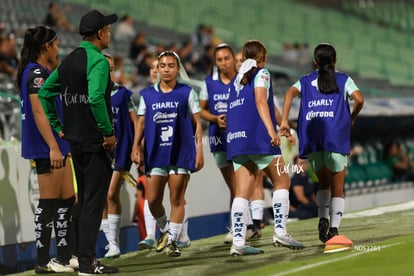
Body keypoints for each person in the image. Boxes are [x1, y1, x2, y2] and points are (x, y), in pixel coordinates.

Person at [38, 10, 119, 274]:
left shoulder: (70, 59)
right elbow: (96, 98)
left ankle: (77, 257)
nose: (110, 33)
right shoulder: (98, 61)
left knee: (83, 201)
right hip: (96, 142)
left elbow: (46, 93)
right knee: (93, 204)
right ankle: (87, 263)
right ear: (100, 33)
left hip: (75, 142)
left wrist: (60, 127)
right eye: (108, 29)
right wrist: (107, 132)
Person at [226, 40, 305, 256]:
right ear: (263, 57)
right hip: (258, 139)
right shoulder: (262, 73)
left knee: (242, 193)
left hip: (237, 141)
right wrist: (272, 131)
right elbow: (261, 101)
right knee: (282, 181)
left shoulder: (236, 81)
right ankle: (280, 231)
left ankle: (239, 242)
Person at [280, 43, 364, 243]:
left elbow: (289, 93)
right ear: (335, 61)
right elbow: (359, 99)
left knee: (323, 184)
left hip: (313, 137)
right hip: (335, 137)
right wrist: (352, 116)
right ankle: (334, 229)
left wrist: (284, 121)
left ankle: (322, 218)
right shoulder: (343, 79)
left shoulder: (306, 80)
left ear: (314, 62)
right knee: (338, 188)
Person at [131, 50, 204, 257]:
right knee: (153, 200)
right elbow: (141, 123)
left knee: (177, 199)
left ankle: (172, 240)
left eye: (171, 65)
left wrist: (199, 151)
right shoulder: (147, 95)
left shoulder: (187, 92)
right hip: (155, 153)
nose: (166, 69)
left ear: (177, 68)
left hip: (181, 153)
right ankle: (165, 229)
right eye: (162, 65)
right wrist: (136, 147)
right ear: (158, 68)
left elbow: (198, 123)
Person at [17, 25, 75, 273]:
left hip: (58, 145)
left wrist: (62, 143)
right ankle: (42, 262)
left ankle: (64, 256)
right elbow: (39, 111)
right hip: (46, 147)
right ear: (46, 47)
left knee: (67, 200)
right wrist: (52, 146)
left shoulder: (41, 71)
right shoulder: (36, 73)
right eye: (56, 43)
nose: (58, 47)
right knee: (48, 204)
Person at [101, 54, 138, 258]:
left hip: (122, 148)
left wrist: (137, 146)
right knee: (102, 197)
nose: (111, 72)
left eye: (112, 68)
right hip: (99, 150)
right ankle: (111, 243)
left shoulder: (123, 93)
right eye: (107, 68)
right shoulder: (91, 94)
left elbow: (136, 121)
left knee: (110, 193)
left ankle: (114, 242)